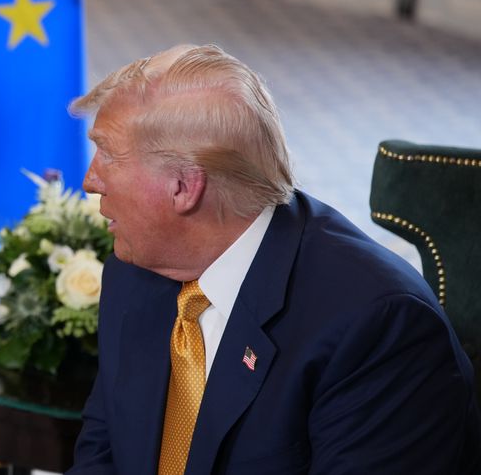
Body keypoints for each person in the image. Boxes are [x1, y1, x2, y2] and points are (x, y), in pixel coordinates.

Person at [66, 44, 479, 474]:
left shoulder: (379, 328)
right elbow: (104, 448)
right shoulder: (136, 269)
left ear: (183, 187)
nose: (90, 179)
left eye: (108, 154)